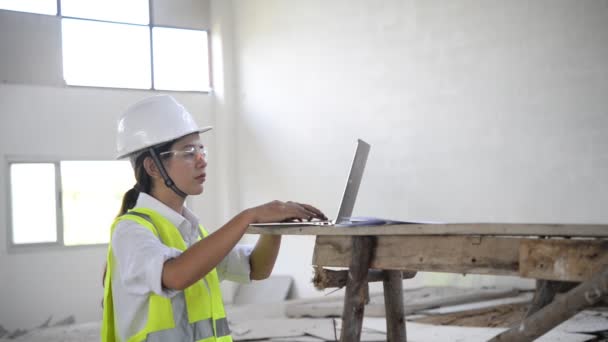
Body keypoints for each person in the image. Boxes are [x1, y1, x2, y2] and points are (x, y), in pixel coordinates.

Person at [101, 95, 326, 342]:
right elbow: (176, 275)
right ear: (153, 168)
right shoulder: (130, 231)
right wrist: (248, 217)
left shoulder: (191, 233)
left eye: (200, 148)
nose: (202, 159)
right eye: (188, 151)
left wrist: (271, 227)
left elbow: (256, 268)